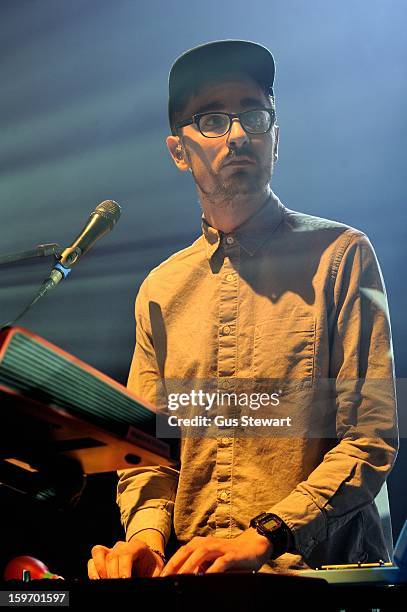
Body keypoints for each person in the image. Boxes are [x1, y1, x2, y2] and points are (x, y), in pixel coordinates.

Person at [88, 40, 398, 579]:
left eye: (253, 114)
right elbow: (145, 453)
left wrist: (266, 535)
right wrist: (144, 538)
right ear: (178, 151)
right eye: (211, 119)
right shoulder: (160, 289)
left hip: (317, 579)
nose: (237, 134)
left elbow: (369, 437)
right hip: (194, 577)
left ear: (275, 136)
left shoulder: (342, 254)